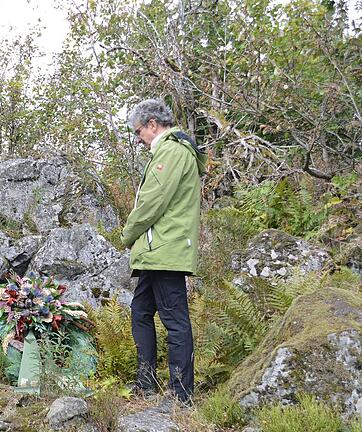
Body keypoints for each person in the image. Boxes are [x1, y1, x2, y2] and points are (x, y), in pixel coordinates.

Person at [121, 99, 207, 404]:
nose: (138, 138)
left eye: (138, 131)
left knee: (175, 321)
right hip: (158, 251)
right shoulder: (175, 151)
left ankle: (181, 393)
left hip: (164, 251)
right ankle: (146, 383)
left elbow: (151, 203)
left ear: (153, 124)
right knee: (141, 312)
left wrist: (127, 234)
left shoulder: (170, 152)